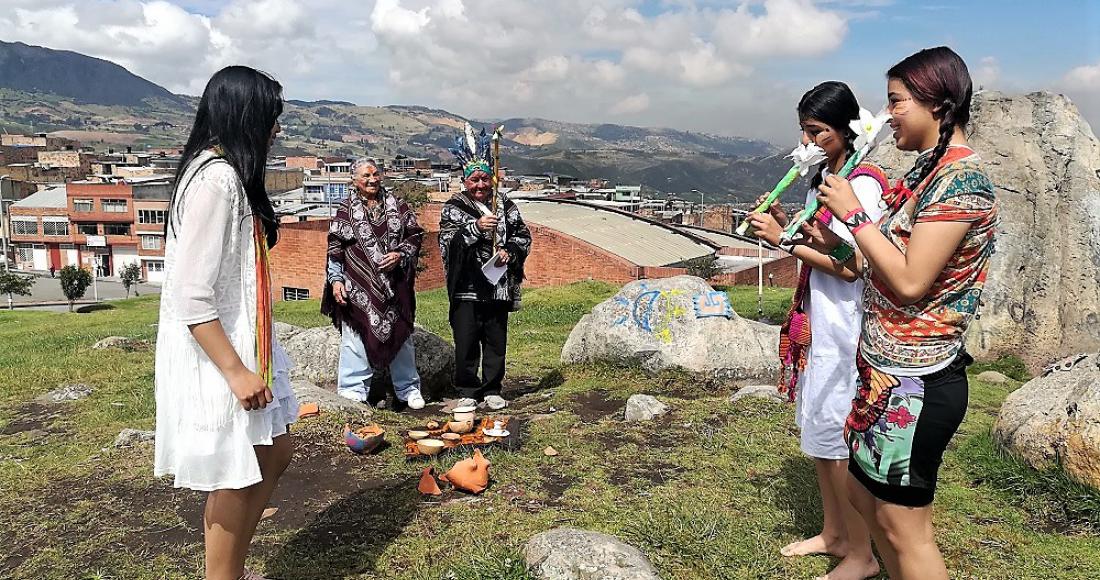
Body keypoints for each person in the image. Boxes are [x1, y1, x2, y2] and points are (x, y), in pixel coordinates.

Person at [811, 47, 997, 580]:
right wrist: (826, 239)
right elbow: (878, 263)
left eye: (897, 102)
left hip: (918, 383)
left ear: (938, 104)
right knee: (865, 500)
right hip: (884, 375)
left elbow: (912, 281)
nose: (888, 113)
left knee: (901, 525)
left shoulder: (963, 181)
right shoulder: (927, 170)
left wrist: (855, 213)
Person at [153, 66, 297, 580]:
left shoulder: (225, 173)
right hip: (220, 350)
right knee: (241, 469)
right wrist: (236, 371)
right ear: (245, 114)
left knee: (272, 453)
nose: (276, 129)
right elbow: (191, 293)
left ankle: (228, 569)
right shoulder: (216, 178)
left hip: (241, 340)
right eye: (271, 117)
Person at [747, 81, 887, 580]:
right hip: (819, 323)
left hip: (847, 325)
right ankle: (834, 533)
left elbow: (852, 266)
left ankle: (861, 555)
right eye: (803, 131)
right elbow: (822, 241)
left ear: (848, 129)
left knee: (839, 440)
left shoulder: (861, 183)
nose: (807, 142)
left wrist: (782, 240)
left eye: (817, 131)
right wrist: (789, 223)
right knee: (820, 436)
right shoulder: (823, 178)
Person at [438, 124, 531, 411]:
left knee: (495, 338)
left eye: (484, 179)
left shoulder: (504, 204)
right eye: (473, 180)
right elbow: (446, 241)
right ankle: (467, 389)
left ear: (491, 178)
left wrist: (509, 251)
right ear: (464, 181)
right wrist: (475, 228)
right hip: (467, 286)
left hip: (497, 285)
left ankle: (492, 387)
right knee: (466, 339)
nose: (479, 185)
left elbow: (522, 235)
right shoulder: (453, 206)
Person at [321, 157, 426, 410]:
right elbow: (335, 248)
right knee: (355, 337)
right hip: (359, 285)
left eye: (376, 174)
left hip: (395, 286)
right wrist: (335, 280)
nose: (372, 180)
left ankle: (408, 389)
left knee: (401, 336)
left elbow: (415, 235)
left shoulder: (397, 205)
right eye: (366, 176)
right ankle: (353, 389)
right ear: (354, 180)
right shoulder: (345, 210)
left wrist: (400, 254)